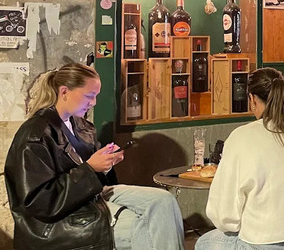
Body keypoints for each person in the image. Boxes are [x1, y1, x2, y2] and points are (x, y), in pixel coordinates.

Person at [4, 63, 184, 250]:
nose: (94, 102)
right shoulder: (36, 134)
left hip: (90, 196)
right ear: (64, 92)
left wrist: (106, 162)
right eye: (89, 96)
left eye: (96, 96)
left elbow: (89, 172)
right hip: (53, 220)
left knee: (164, 201)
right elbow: (39, 202)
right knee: (141, 227)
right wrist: (90, 168)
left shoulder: (81, 126)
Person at [197, 67, 284, 250]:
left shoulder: (240, 137)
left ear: (252, 99)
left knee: (203, 243)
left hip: (263, 242)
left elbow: (224, 216)